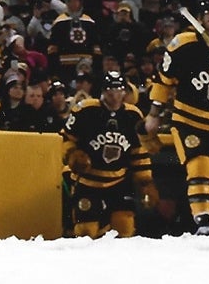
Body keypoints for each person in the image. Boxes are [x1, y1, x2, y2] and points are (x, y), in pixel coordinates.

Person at [147, 0, 209, 234]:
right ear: (199, 18)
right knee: (200, 166)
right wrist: (154, 114)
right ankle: (203, 222)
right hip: (190, 122)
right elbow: (163, 81)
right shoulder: (183, 44)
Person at [63, 70, 151, 238]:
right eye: (110, 89)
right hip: (88, 181)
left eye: (119, 90)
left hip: (119, 181)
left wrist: (145, 181)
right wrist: (73, 155)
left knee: (125, 226)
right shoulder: (85, 110)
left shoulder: (133, 115)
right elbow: (66, 138)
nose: (115, 95)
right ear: (102, 91)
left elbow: (139, 151)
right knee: (86, 231)